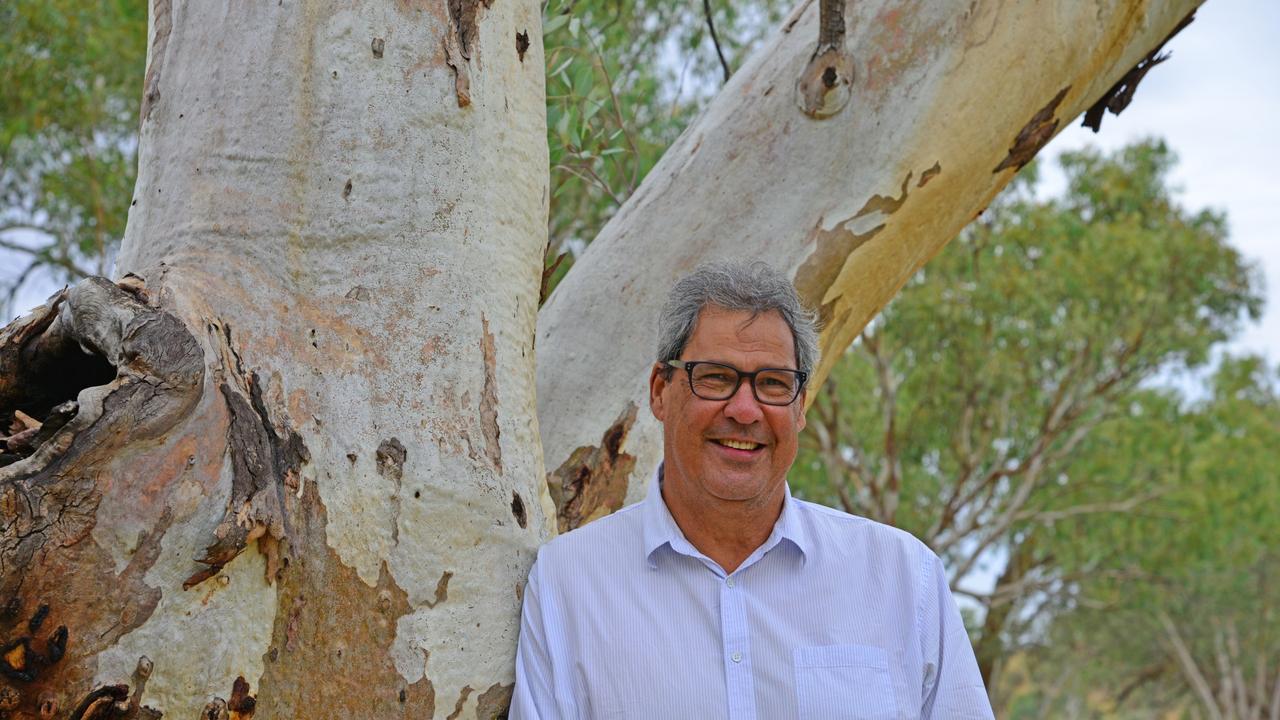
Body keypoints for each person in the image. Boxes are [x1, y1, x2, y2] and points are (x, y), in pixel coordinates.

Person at [511, 261, 994, 719]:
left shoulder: (904, 579)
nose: (745, 409)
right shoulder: (568, 584)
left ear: (800, 406)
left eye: (773, 383)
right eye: (717, 378)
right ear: (661, 390)